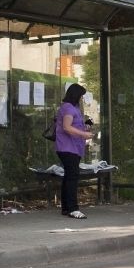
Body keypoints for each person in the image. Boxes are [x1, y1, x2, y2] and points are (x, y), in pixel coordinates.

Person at [55, 83, 94, 219]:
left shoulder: (73, 108)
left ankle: (66, 207)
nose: (82, 99)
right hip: (67, 148)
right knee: (72, 177)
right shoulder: (68, 108)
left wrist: (85, 127)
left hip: (73, 147)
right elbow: (67, 127)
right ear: (76, 95)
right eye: (81, 96)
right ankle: (73, 208)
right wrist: (84, 134)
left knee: (69, 177)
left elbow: (74, 125)